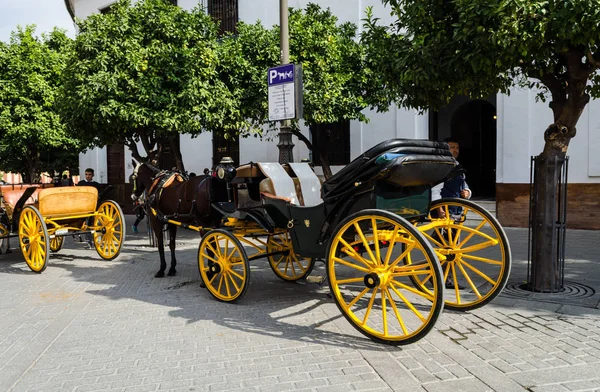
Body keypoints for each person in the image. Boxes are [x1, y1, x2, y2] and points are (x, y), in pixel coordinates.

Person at [431, 137, 471, 289]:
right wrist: (439, 209)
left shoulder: (457, 165)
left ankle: (443, 276)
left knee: (453, 248)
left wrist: (467, 192)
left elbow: (464, 184)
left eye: (457, 148)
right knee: (446, 248)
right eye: (452, 147)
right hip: (445, 211)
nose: (455, 150)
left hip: (456, 211)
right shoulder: (442, 166)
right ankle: (440, 278)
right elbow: (435, 189)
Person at [77, 168, 99, 248]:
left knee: (92, 224)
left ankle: (94, 242)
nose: (88, 176)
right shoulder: (81, 183)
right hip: (82, 206)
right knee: (86, 224)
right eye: (86, 174)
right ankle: (89, 242)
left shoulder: (96, 185)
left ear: (93, 175)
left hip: (93, 206)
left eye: (89, 174)